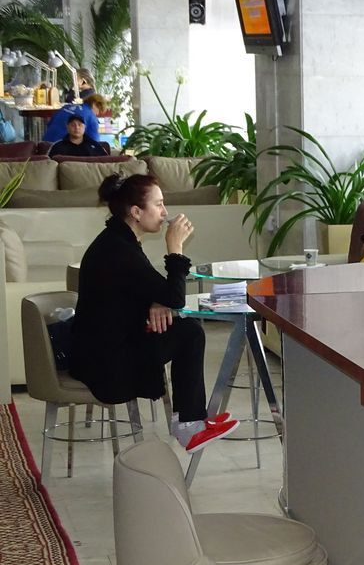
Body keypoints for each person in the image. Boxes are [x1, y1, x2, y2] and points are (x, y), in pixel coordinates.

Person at [70, 173, 239, 453]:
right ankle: (188, 425)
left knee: (187, 330)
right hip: (106, 363)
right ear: (136, 212)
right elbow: (175, 297)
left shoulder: (118, 239)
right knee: (190, 333)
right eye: (158, 205)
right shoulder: (120, 250)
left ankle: (190, 421)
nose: (165, 212)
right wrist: (175, 249)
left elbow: (147, 288)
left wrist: (155, 301)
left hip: (104, 347)